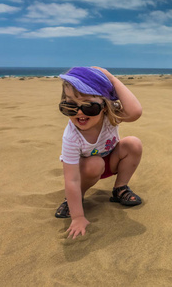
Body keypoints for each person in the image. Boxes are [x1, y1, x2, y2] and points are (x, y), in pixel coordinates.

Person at [55, 66, 143, 239]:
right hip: (86, 171)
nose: (79, 112)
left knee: (133, 144)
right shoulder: (71, 136)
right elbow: (71, 179)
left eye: (88, 106)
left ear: (104, 106)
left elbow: (135, 112)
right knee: (95, 163)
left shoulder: (109, 117)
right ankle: (73, 200)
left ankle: (120, 188)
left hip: (110, 161)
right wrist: (78, 217)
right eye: (70, 105)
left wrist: (112, 79)